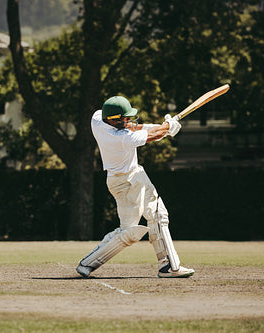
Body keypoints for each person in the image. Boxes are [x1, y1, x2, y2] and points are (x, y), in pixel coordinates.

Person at [76, 96, 194, 278]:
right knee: (129, 232)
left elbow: (136, 128)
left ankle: (169, 266)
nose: (129, 120)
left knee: (158, 215)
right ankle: (87, 263)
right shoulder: (121, 138)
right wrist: (167, 128)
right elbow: (152, 136)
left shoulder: (97, 119)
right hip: (125, 183)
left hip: (135, 175)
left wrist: (163, 126)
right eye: (125, 118)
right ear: (114, 120)